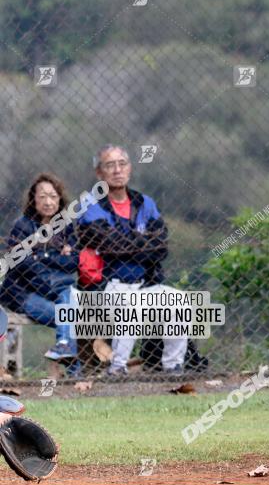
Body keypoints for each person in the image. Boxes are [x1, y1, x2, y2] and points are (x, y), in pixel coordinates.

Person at [77, 144, 187, 375]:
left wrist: (127, 244)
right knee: (131, 306)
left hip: (144, 285)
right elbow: (108, 245)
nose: (117, 170)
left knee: (179, 300)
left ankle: (172, 367)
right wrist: (142, 241)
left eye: (122, 164)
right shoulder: (90, 204)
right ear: (99, 173)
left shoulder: (144, 203)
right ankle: (117, 370)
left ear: (130, 169)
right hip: (107, 288)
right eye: (110, 165)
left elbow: (160, 247)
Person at [0, 173, 79, 368]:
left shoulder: (66, 227)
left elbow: (73, 262)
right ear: (33, 199)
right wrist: (56, 259)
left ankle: (63, 347)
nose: (48, 201)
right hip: (22, 292)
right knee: (68, 316)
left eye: (53, 196)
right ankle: (75, 372)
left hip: (56, 290)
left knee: (68, 297)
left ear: (60, 198)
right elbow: (22, 264)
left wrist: (41, 256)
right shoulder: (23, 226)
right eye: (42, 196)